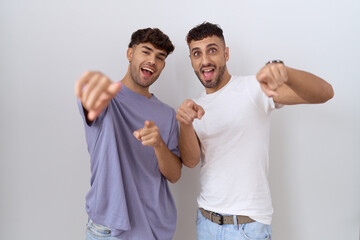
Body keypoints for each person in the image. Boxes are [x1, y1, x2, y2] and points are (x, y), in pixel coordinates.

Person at [176, 22, 334, 240]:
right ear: (192, 61)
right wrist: (184, 123)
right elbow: (192, 161)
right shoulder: (194, 106)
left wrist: (286, 73)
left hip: (247, 227)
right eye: (196, 53)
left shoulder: (253, 88)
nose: (205, 60)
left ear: (226, 53)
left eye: (212, 50)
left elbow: (325, 93)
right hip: (206, 222)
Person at [75, 28, 182, 240]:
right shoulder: (107, 98)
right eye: (146, 51)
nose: (152, 60)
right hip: (109, 230)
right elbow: (90, 104)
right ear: (130, 54)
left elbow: (174, 175)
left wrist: (159, 144)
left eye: (159, 57)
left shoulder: (168, 114)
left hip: (154, 229)